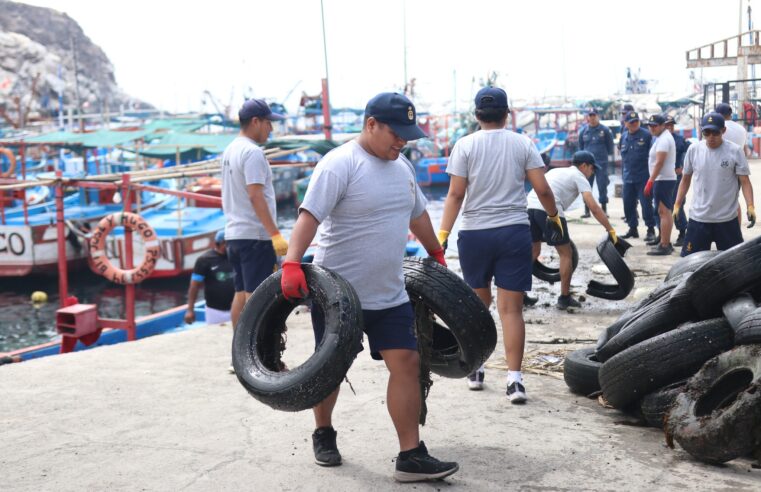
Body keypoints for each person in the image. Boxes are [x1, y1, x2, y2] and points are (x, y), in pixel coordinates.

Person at [279, 92, 458, 482]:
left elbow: (418, 215)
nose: (403, 142)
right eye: (396, 133)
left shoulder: (403, 169)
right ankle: (323, 433)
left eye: (408, 135)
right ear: (371, 124)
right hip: (338, 294)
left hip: (389, 292)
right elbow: (309, 217)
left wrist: (436, 252)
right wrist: (293, 261)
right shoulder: (340, 164)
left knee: (407, 364)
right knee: (331, 368)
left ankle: (410, 455)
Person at [437, 87, 562, 400]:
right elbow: (543, 189)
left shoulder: (464, 145)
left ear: (477, 115)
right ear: (508, 114)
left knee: (478, 307)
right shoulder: (522, 143)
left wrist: (442, 233)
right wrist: (554, 216)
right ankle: (515, 380)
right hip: (513, 232)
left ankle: (476, 369)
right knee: (512, 311)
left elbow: (455, 195)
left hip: (474, 234)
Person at [221, 99, 289, 335]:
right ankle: (262, 360)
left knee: (240, 295)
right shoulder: (252, 153)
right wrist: (275, 234)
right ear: (255, 121)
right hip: (256, 236)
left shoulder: (230, 150)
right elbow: (255, 195)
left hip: (235, 234)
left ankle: (239, 356)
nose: (271, 128)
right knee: (261, 300)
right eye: (269, 123)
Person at [527, 151, 618, 309]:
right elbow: (593, 207)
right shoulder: (579, 176)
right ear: (584, 166)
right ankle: (564, 298)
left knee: (533, 251)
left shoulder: (556, 171)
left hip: (530, 207)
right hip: (550, 210)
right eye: (592, 169)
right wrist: (610, 229)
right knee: (566, 253)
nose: (592, 173)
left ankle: (518, 293)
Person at [673, 112, 755, 256]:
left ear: (723, 131)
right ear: (702, 131)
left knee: (734, 263)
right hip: (699, 219)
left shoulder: (735, 151)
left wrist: (750, 205)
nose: (711, 136)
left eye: (715, 132)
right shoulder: (694, 150)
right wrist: (677, 204)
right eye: (707, 132)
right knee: (690, 263)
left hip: (726, 220)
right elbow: (685, 179)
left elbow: (745, 182)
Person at [643, 114, 677, 255]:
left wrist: (650, 180)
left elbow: (659, 162)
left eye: (655, 125)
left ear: (663, 125)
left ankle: (665, 244)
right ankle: (665, 241)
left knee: (664, 212)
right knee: (664, 211)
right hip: (664, 178)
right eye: (650, 125)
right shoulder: (662, 138)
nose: (652, 128)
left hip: (663, 179)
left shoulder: (663, 139)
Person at [184, 230, 235, 325]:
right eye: (226, 244)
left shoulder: (236, 257)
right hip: (214, 311)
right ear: (218, 244)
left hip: (236, 308)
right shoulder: (204, 260)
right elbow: (194, 286)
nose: (229, 247)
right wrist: (190, 310)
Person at [619, 111, 656, 241]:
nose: (634, 124)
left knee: (646, 205)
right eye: (631, 122)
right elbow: (623, 157)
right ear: (626, 123)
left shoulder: (647, 135)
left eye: (636, 121)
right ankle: (632, 228)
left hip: (643, 177)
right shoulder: (623, 137)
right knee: (628, 204)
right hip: (628, 177)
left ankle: (650, 229)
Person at [578, 108, 614, 217]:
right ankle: (587, 211)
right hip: (587, 166)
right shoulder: (583, 131)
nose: (592, 117)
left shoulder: (605, 130)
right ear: (588, 117)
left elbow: (610, 147)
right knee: (586, 187)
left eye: (594, 115)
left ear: (598, 116)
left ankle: (604, 210)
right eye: (590, 115)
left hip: (601, 164)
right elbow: (581, 147)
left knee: (602, 186)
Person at [665, 115, 690, 246]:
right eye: (667, 124)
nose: (669, 127)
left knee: (677, 205)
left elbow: (691, 152)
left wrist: (683, 167)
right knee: (662, 207)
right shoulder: (657, 140)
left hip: (676, 178)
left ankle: (682, 233)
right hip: (662, 178)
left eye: (671, 125)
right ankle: (662, 235)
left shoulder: (680, 140)